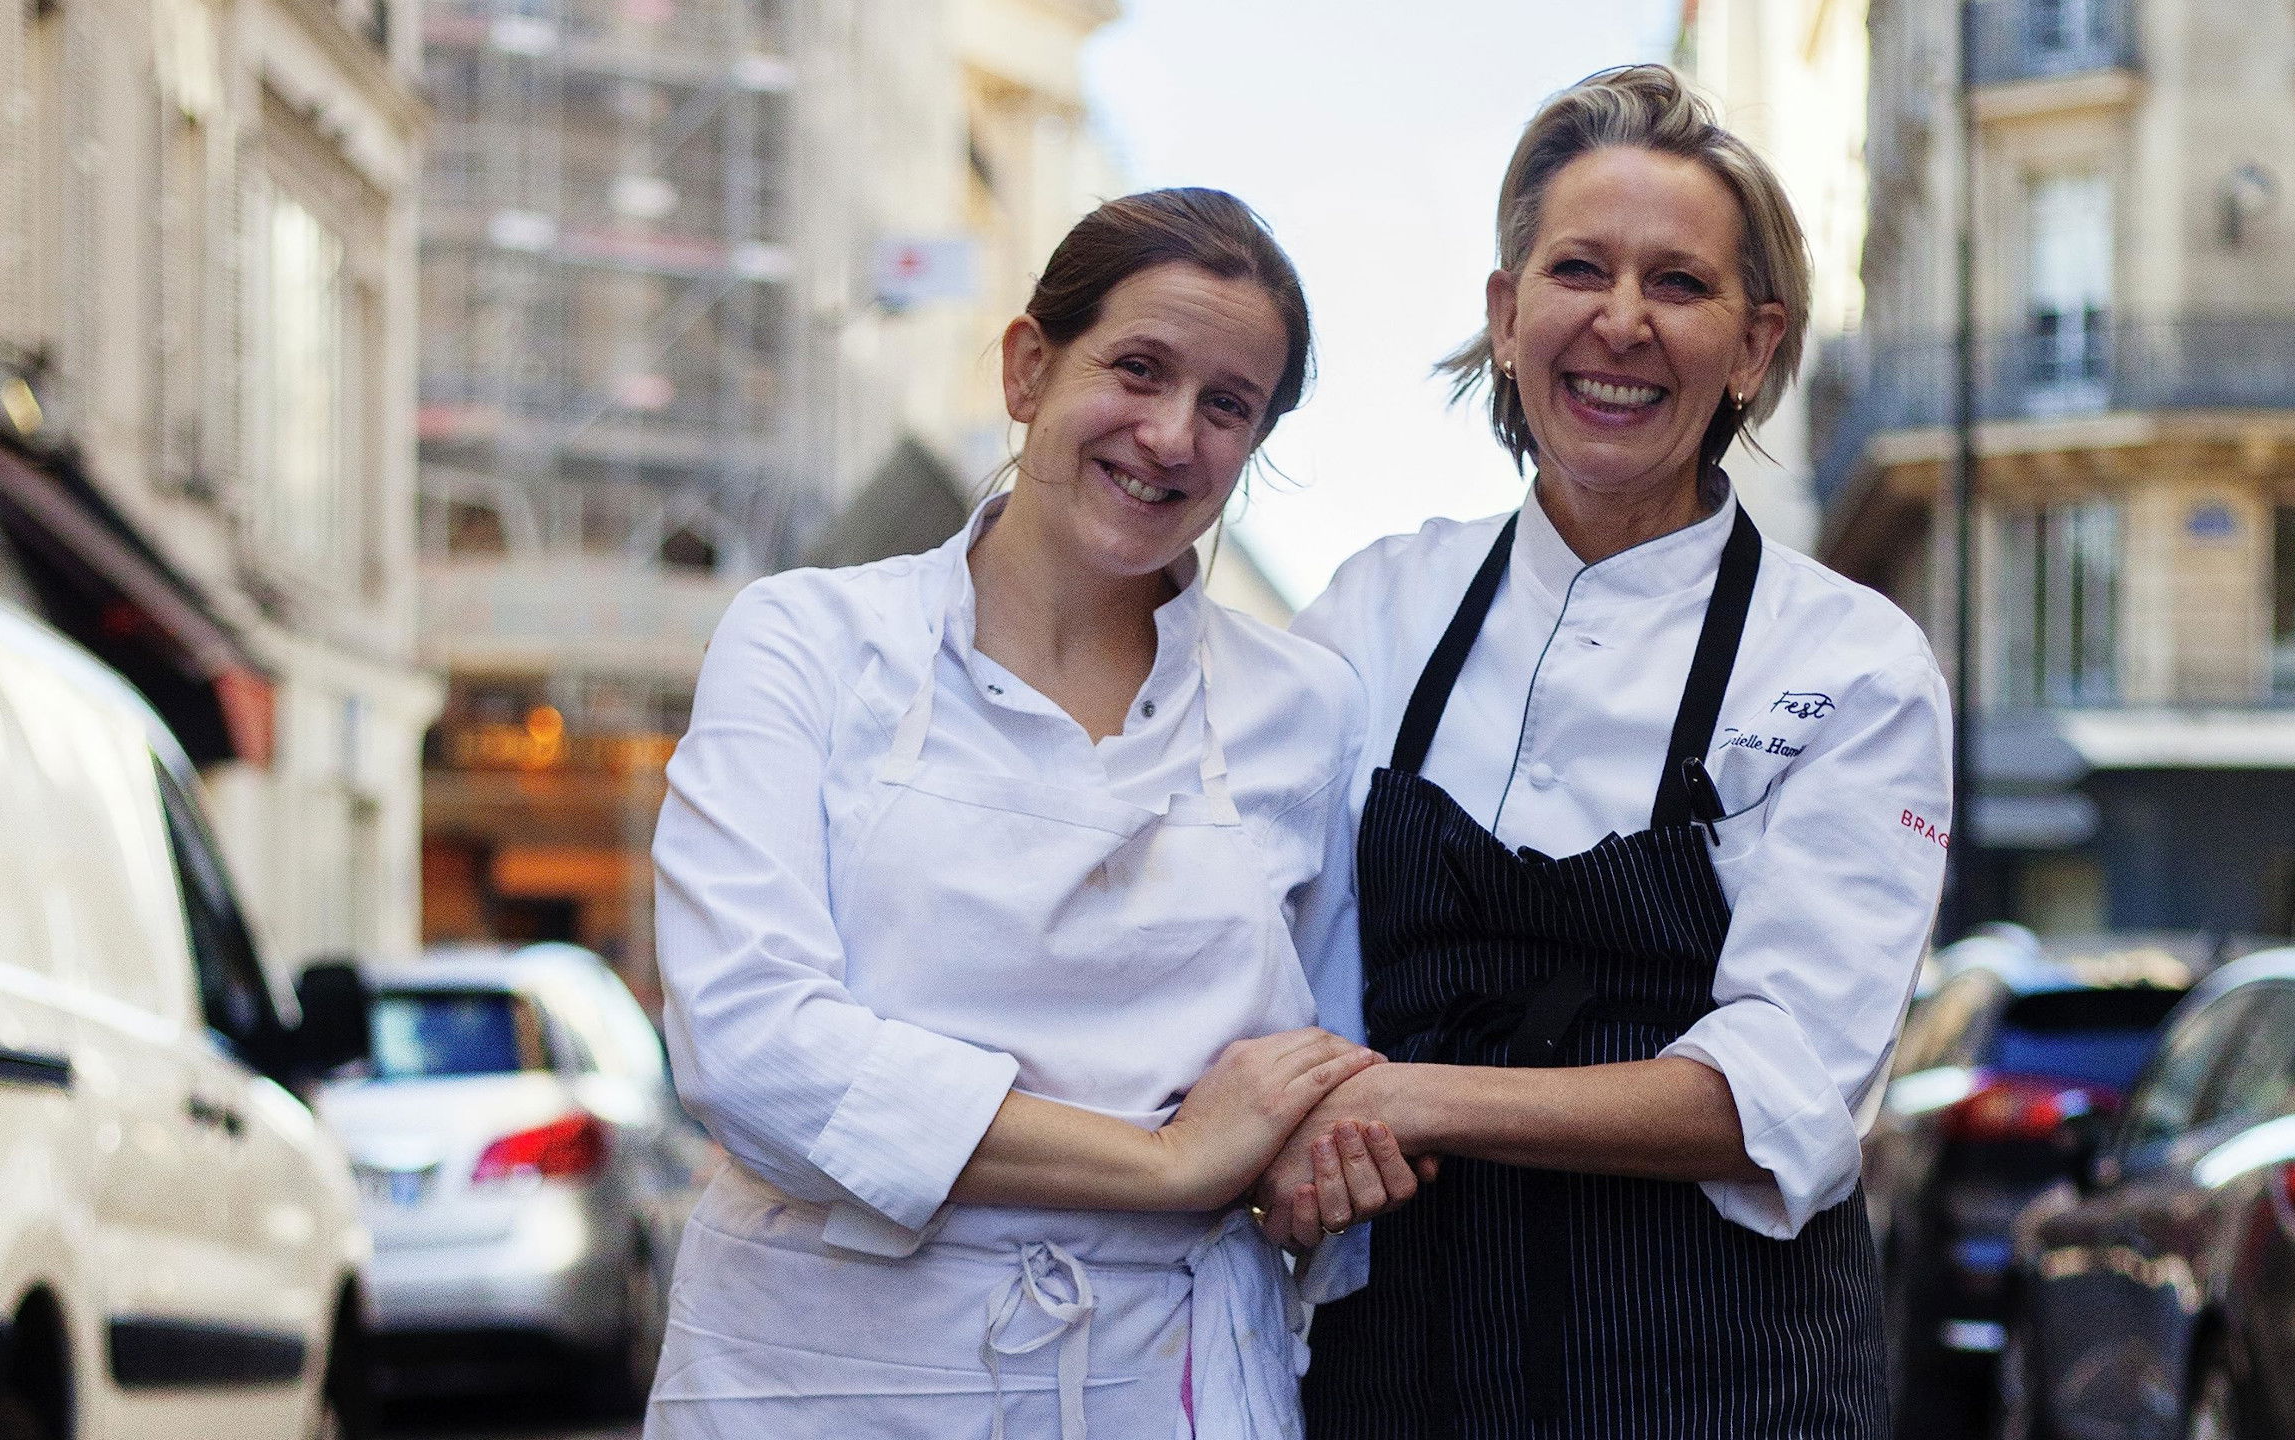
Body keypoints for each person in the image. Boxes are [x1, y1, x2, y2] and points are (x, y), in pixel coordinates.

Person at [646, 187, 1421, 1440]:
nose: (1171, 435)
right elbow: (751, 1050)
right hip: (820, 1381)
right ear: (1027, 368)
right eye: (1138, 368)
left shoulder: (1307, 708)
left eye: (1227, 406)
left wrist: (1311, 1171)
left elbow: (1314, 1080)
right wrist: (1170, 1164)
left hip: (1160, 1383)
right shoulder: (807, 641)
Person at [1272, 66, 1952, 1439]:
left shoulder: (1850, 667)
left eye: (1680, 284)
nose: (1621, 323)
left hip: (1725, 1381)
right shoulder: (1370, 615)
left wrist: (1404, 1097)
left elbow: (1774, 1088)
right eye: (1579, 269)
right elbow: (1259, 951)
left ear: (1757, 346)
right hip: (1403, 1363)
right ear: (1507, 315)